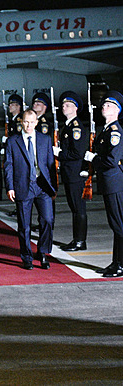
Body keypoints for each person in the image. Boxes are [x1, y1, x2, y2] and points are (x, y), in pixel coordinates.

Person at [4, 109, 57, 270]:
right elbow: (8, 165)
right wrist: (10, 187)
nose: (28, 125)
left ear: (36, 122)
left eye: (32, 122)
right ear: (21, 122)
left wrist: (53, 187)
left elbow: (50, 165)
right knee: (24, 225)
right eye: (26, 121)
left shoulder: (45, 139)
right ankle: (26, 256)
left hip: (42, 186)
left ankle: (42, 252)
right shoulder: (13, 141)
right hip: (23, 186)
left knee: (47, 220)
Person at [85, 91, 123, 277]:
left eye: (108, 105)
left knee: (119, 225)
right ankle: (116, 262)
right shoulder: (106, 130)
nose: (103, 107)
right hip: (109, 183)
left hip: (115, 183)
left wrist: (94, 159)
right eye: (104, 105)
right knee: (115, 225)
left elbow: (111, 160)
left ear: (117, 110)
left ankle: (121, 264)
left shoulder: (115, 131)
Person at [54, 91, 89, 252]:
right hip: (69, 173)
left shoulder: (76, 128)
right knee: (74, 208)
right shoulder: (67, 125)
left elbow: (77, 153)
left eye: (67, 105)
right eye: (63, 105)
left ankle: (80, 241)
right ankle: (77, 239)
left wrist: (59, 154)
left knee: (78, 208)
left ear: (75, 108)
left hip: (75, 174)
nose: (63, 107)